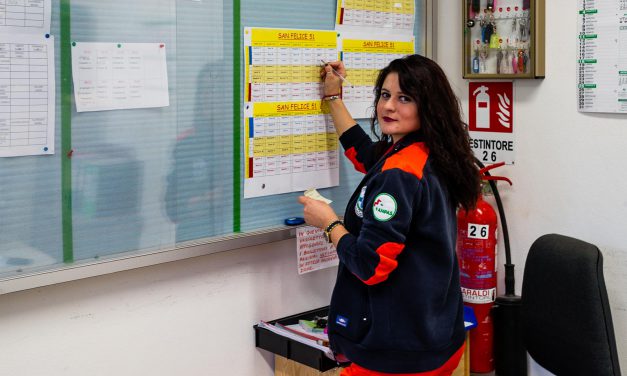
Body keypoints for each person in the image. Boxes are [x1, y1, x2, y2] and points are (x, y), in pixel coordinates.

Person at [297, 54, 481, 375]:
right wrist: (333, 98)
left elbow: (370, 266)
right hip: (437, 338)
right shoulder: (429, 153)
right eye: (384, 95)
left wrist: (329, 223)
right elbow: (364, 153)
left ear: (428, 106)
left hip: (398, 355)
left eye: (404, 98)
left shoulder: (399, 174)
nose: (388, 107)